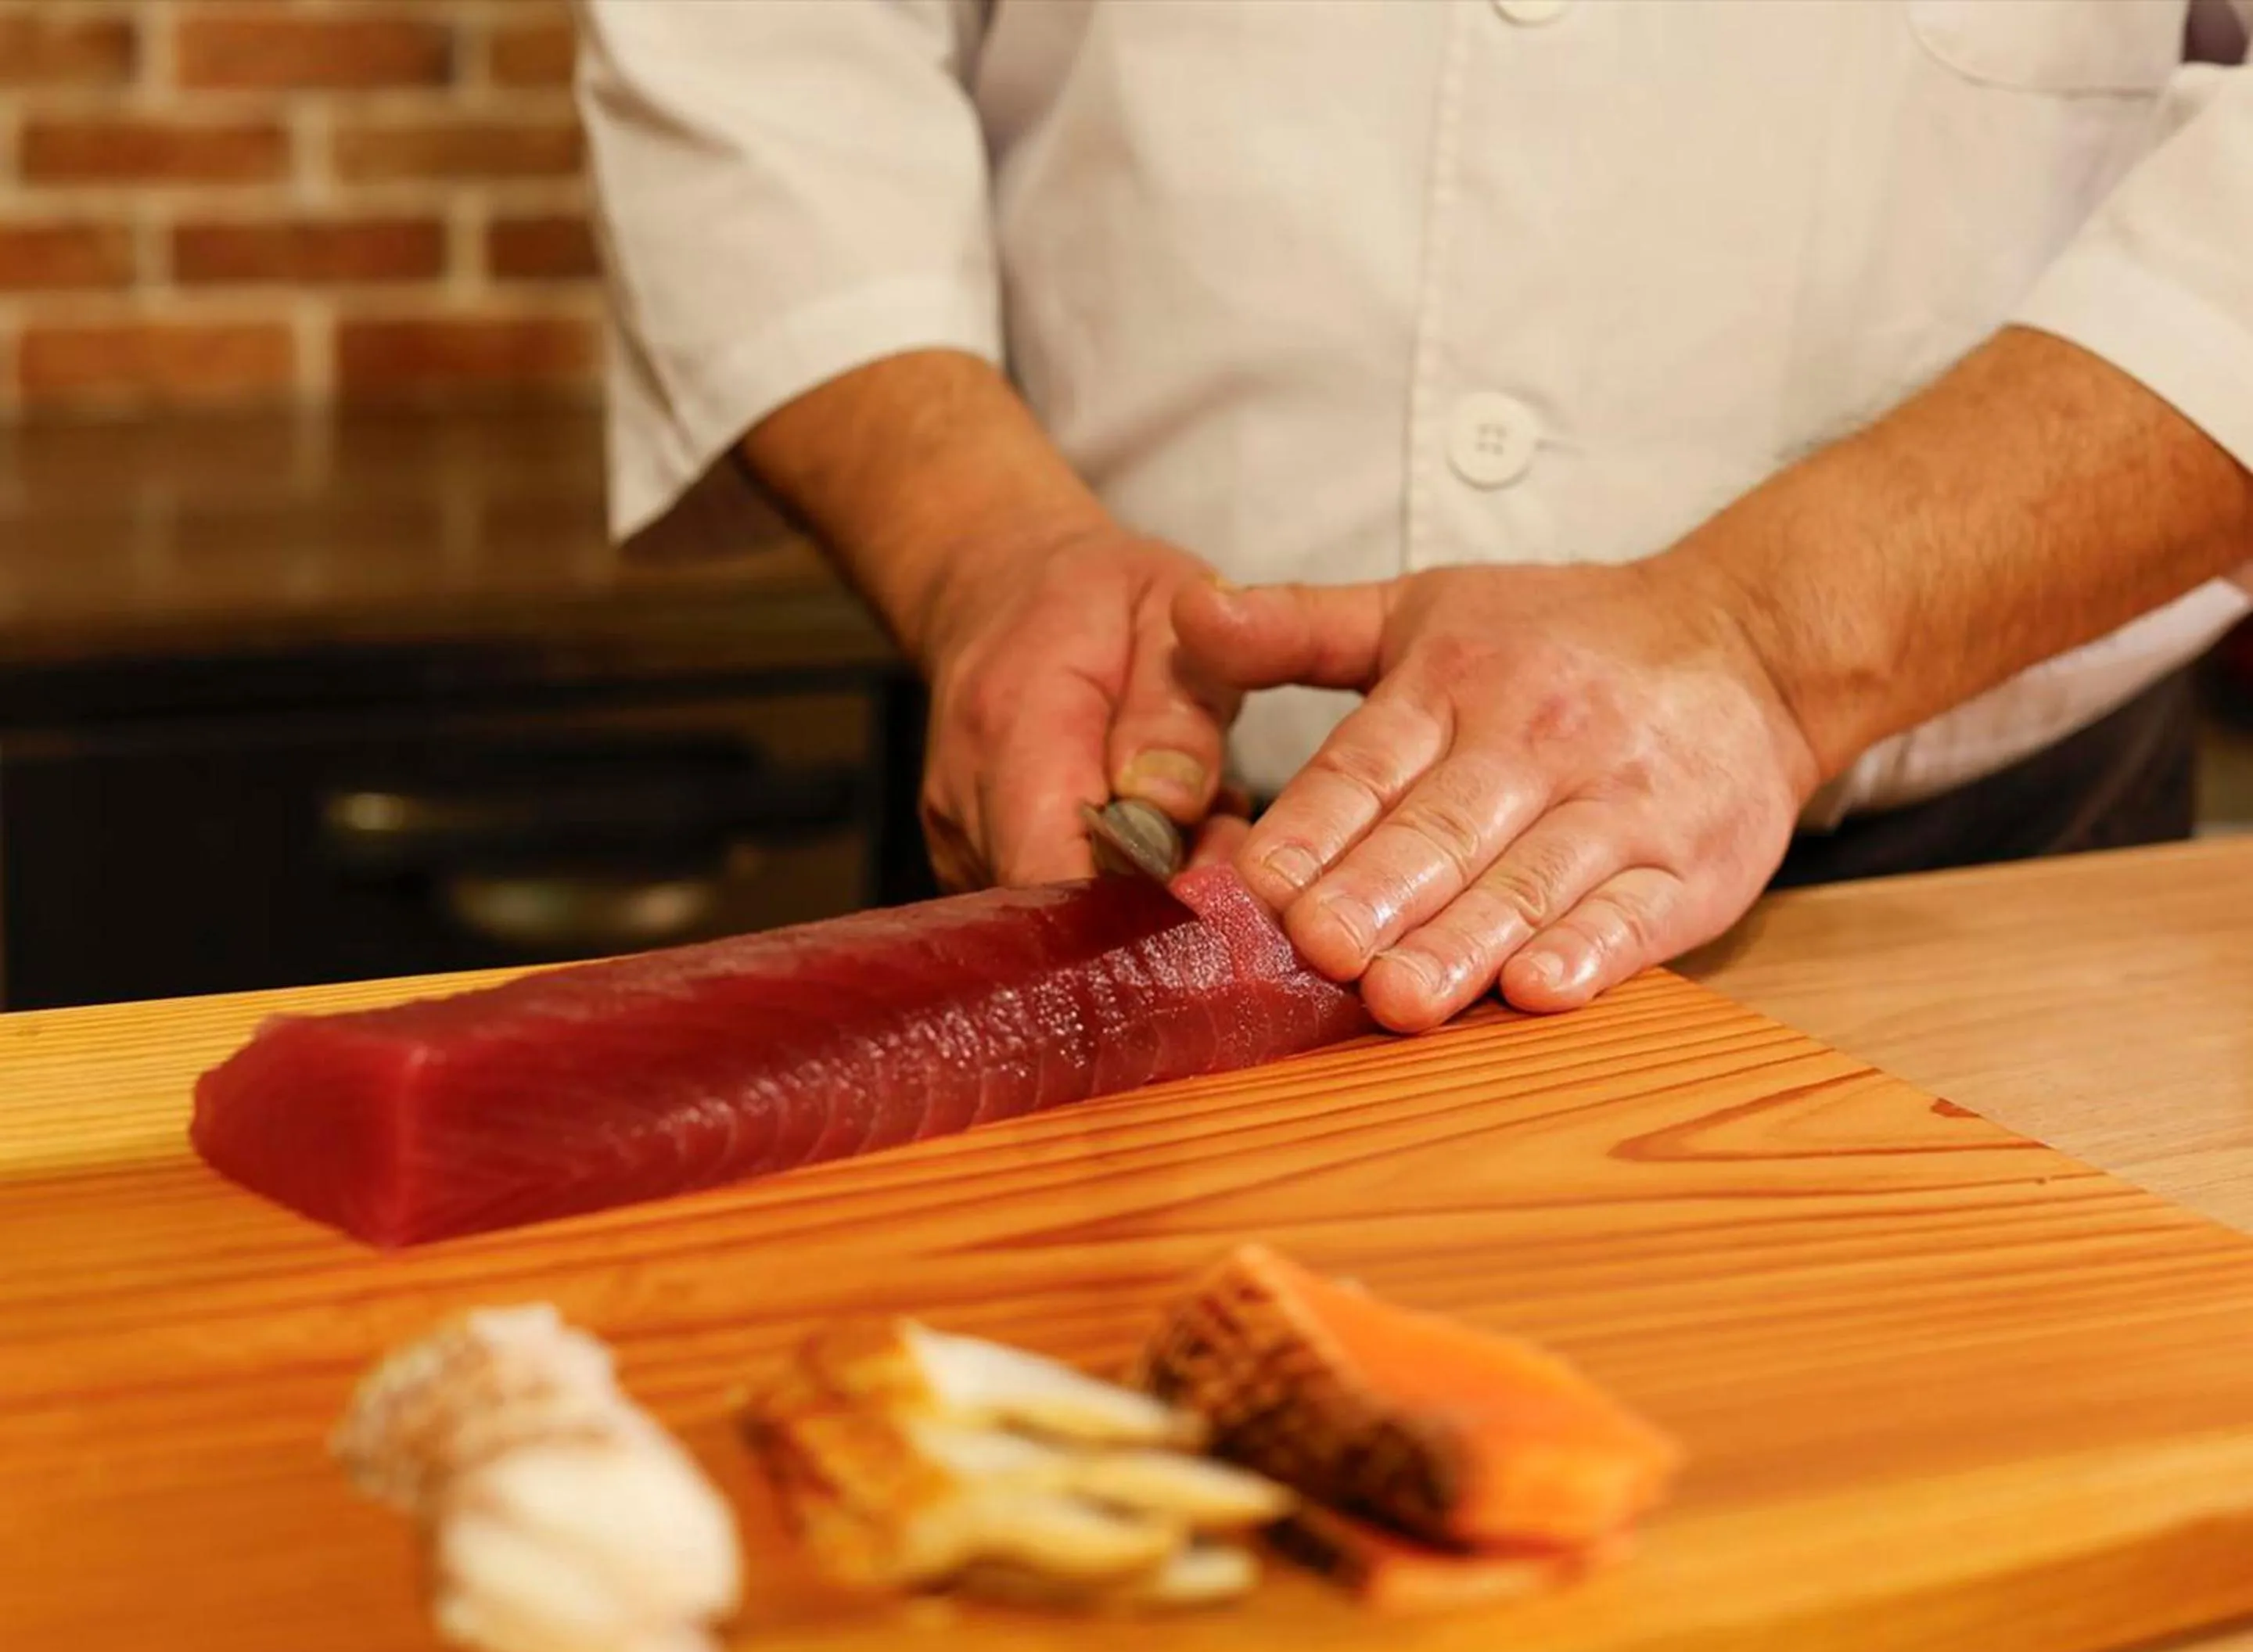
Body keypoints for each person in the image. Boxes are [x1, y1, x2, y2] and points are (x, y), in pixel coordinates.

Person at [575, 0, 2253, 1032]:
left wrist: (1774, 639)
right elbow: (764, 35)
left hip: (1964, 892)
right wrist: (981, 547)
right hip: (1102, 843)